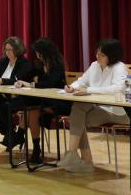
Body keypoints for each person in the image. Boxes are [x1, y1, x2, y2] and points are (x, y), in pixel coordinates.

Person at [57, 38, 129, 173]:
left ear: (112, 56)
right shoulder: (94, 65)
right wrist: (71, 87)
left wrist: (88, 90)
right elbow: (81, 81)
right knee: (78, 109)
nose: (97, 56)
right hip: (98, 107)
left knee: (77, 119)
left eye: (102, 55)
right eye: (97, 53)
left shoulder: (119, 67)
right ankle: (76, 156)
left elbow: (117, 89)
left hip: (117, 111)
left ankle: (81, 159)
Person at [14, 38, 70, 164]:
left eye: (38, 52)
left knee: (32, 106)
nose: (36, 54)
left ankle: (20, 134)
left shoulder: (57, 65)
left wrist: (29, 85)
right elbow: (25, 76)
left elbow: (49, 84)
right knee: (32, 108)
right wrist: (19, 81)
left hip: (59, 102)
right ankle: (35, 148)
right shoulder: (40, 64)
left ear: (44, 52)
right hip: (44, 101)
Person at [0, 36, 32, 149]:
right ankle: (10, 134)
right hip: (4, 96)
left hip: (19, 98)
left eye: (10, 50)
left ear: (18, 49)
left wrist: (0, 80)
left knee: (3, 109)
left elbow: (16, 80)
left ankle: (11, 137)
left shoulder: (24, 63)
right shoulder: (3, 61)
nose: (7, 52)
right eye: (6, 49)